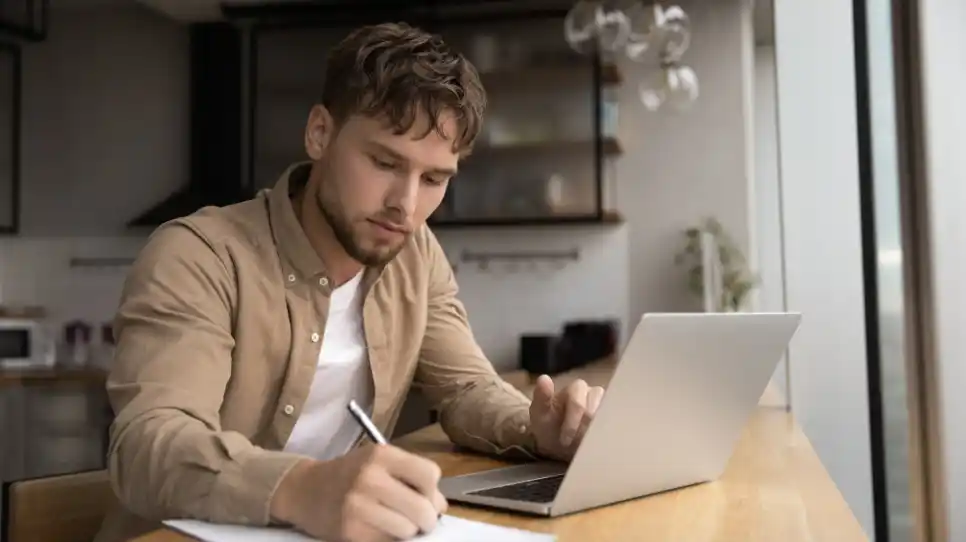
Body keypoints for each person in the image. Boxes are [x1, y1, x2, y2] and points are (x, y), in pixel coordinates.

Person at [95, 22, 605, 542]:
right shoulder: (198, 255)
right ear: (320, 133)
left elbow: (467, 390)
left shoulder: (416, 252)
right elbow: (147, 445)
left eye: (434, 179)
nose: (405, 206)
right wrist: (303, 488)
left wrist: (538, 429)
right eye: (385, 162)